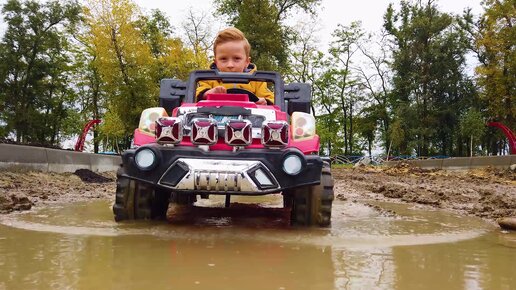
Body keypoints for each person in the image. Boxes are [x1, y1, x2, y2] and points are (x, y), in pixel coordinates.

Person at [196, 27, 274, 105]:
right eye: (223, 59)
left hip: (249, 116)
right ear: (216, 62)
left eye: (236, 58)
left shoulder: (257, 81)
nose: (230, 65)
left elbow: (272, 99)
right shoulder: (208, 79)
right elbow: (194, 95)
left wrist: (265, 102)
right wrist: (206, 94)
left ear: (247, 62)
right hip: (213, 114)